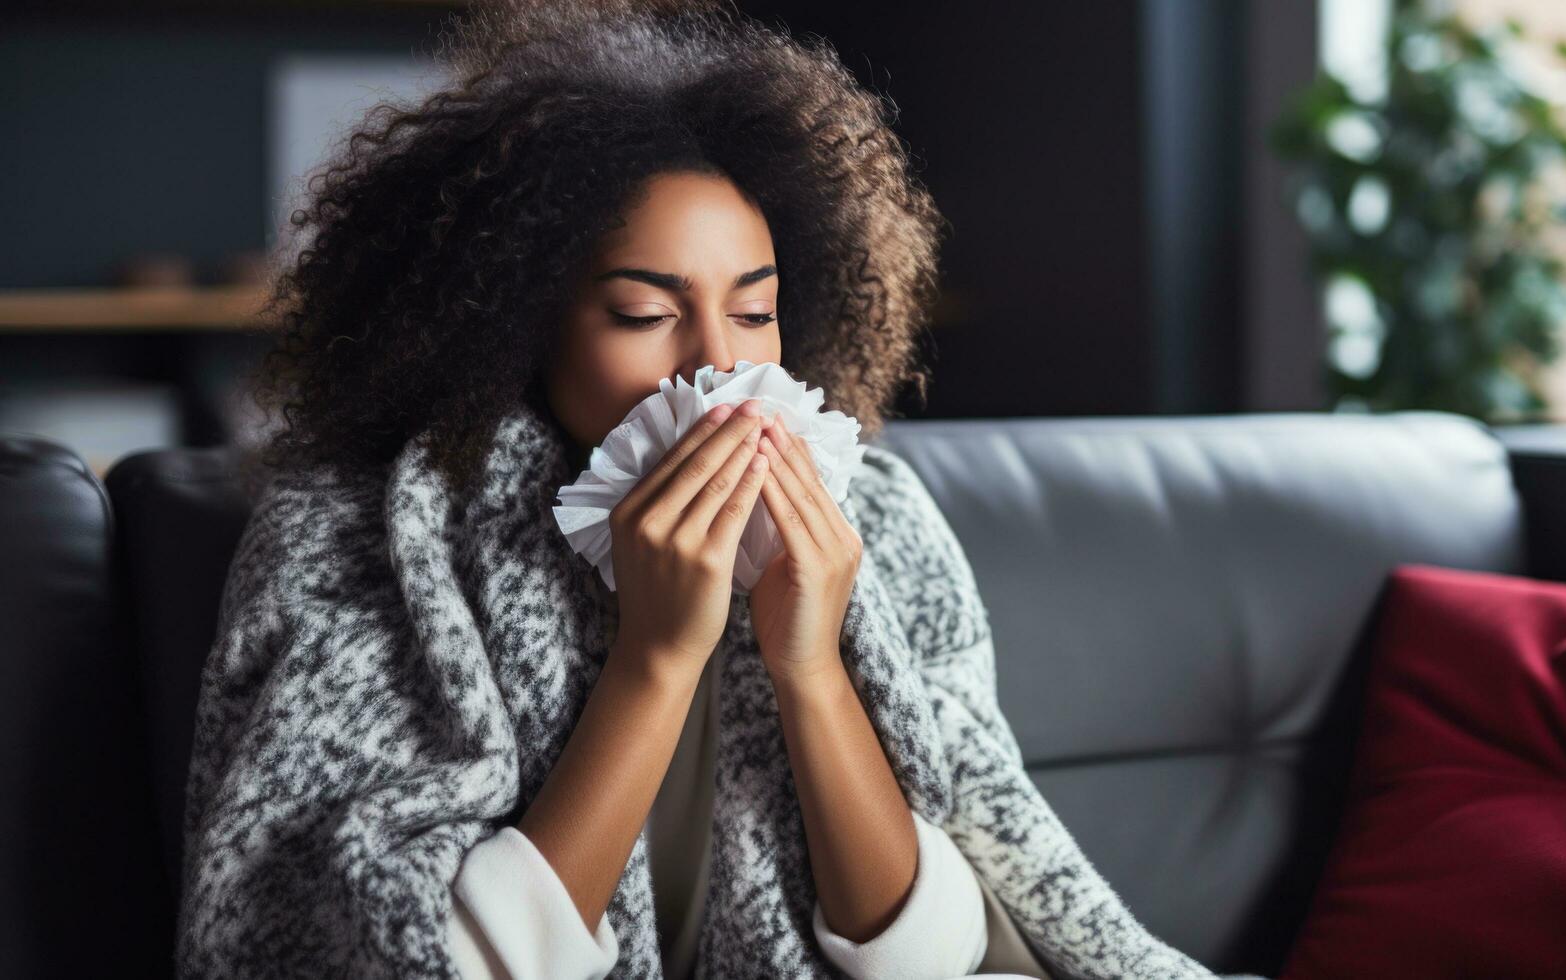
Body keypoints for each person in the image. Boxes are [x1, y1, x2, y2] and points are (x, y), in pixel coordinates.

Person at [177, 1, 1242, 977]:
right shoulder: (356, 543)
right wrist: (656, 653)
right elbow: (394, 953)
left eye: (754, 311)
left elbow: (931, 957)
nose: (715, 369)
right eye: (645, 315)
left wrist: (812, 666)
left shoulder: (881, 524)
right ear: (514, 326)